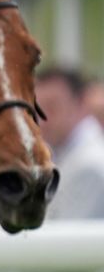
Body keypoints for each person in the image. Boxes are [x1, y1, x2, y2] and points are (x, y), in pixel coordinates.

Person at [35, 66, 104, 219]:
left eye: (52, 107)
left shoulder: (90, 165)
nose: (42, 120)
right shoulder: (65, 152)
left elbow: (62, 238)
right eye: (38, 110)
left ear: (81, 104)